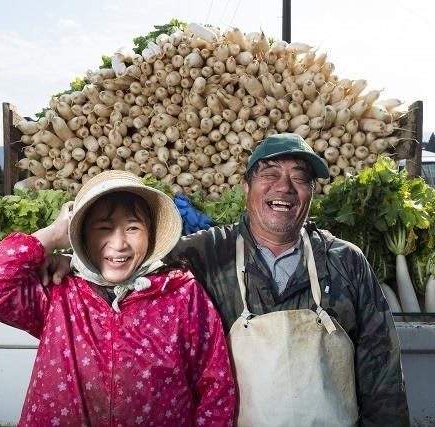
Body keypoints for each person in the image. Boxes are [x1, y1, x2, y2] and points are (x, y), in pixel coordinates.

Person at [43, 134, 410, 426]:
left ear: (311, 193)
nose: (284, 187)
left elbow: (382, 372)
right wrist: (72, 260)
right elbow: (125, 264)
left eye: (300, 178)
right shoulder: (202, 255)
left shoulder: (344, 261)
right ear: (246, 185)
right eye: (270, 175)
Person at [0, 170, 236, 427]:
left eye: (133, 228)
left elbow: (216, 386)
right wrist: (50, 238)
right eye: (103, 227)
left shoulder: (180, 295)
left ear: (150, 236)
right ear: (81, 236)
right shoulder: (59, 293)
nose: (119, 244)